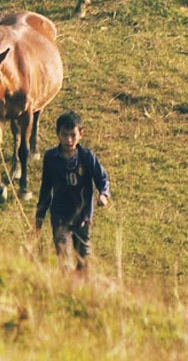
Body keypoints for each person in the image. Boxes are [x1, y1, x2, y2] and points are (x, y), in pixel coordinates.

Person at [34, 110, 111, 273]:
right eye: (64, 135)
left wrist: (103, 194)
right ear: (57, 134)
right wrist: (40, 215)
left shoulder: (87, 157)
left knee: (83, 261)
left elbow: (102, 179)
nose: (68, 140)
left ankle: (82, 292)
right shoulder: (51, 158)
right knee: (65, 260)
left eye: (73, 135)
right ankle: (67, 289)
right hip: (60, 217)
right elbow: (46, 188)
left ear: (81, 134)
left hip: (83, 218)